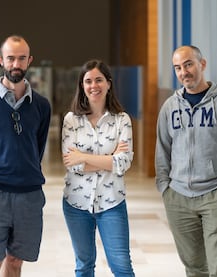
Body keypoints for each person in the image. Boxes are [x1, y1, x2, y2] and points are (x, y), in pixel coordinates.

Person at [155, 45, 217, 276]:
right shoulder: (170, 107)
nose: (183, 72)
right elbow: (162, 148)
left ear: (202, 64)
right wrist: (164, 187)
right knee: (194, 266)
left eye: (188, 64)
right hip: (178, 197)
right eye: (178, 67)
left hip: (215, 194)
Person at [0, 35, 51, 277]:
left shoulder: (41, 106)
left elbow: (38, 147)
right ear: (1, 60)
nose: (16, 64)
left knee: (15, 261)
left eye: (22, 58)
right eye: (11, 58)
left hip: (30, 195)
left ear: (29, 61)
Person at [61, 59, 135, 277]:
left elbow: (123, 163)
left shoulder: (122, 120)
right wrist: (110, 158)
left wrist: (83, 157)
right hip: (76, 204)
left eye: (99, 80)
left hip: (112, 201)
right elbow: (72, 165)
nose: (94, 85)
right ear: (82, 86)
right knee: (84, 266)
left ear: (109, 84)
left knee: (121, 266)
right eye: (88, 81)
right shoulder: (71, 120)